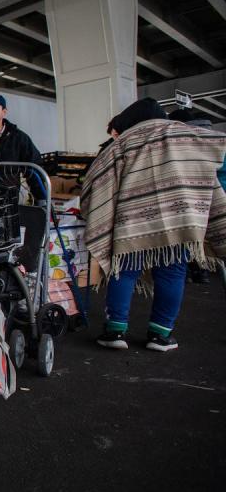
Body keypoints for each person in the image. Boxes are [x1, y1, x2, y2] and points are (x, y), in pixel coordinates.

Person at [82, 98, 226, 352]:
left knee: (123, 271)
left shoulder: (124, 143)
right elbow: (208, 174)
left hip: (132, 223)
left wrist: (92, 211)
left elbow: (96, 181)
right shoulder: (188, 136)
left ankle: (115, 331)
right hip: (179, 221)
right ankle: (160, 335)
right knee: (172, 272)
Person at [169, 107, 222, 284]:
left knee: (192, 238)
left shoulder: (187, 145)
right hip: (215, 200)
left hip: (197, 199)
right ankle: (205, 269)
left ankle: (200, 270)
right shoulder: (216, 141)